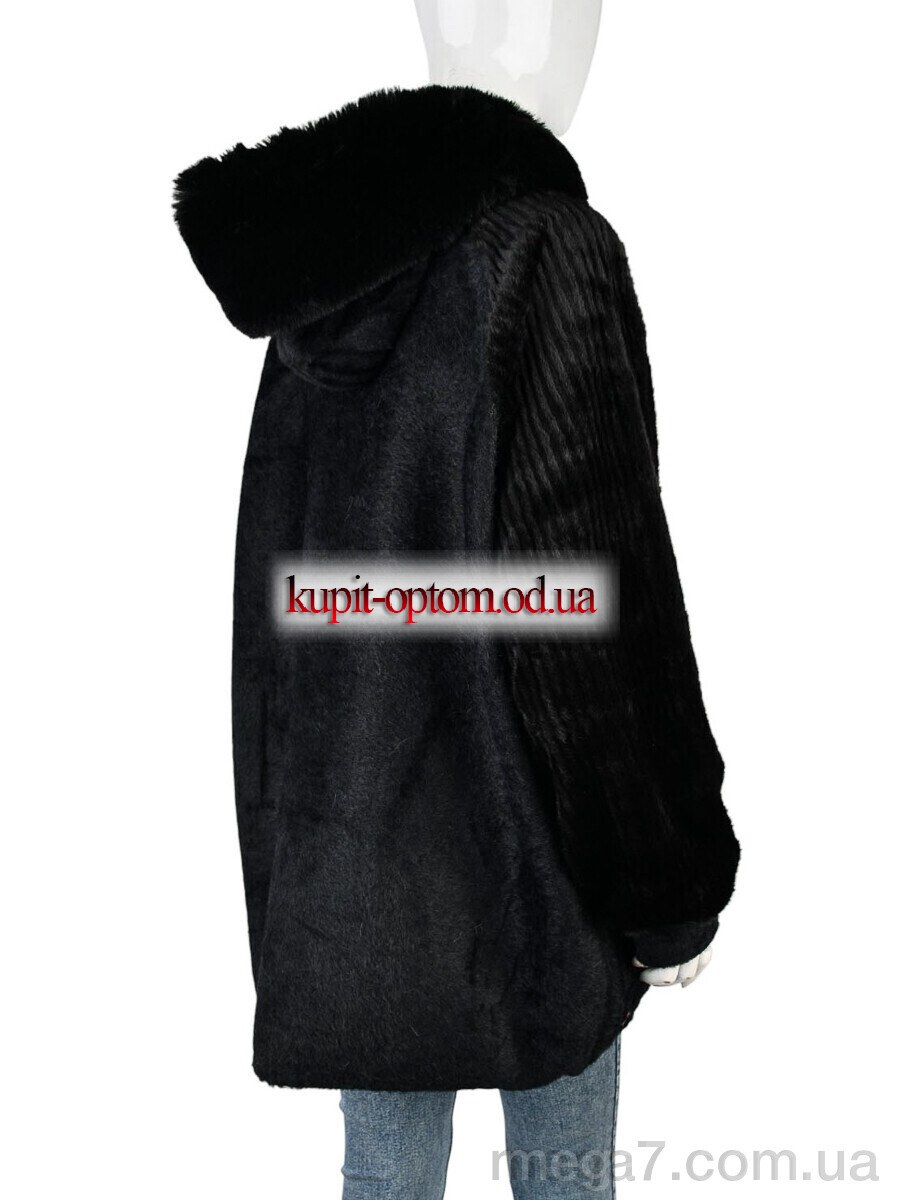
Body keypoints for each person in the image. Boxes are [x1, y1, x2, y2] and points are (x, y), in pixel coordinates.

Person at [172, 12, 740, 1197]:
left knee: (383, 1178)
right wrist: (667, 884)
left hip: (352, 856)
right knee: (565, 1179)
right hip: (544, 851)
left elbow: (291, 609)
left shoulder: (324, 271)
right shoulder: (550, 245)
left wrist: (302, 861)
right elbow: (586, 608)